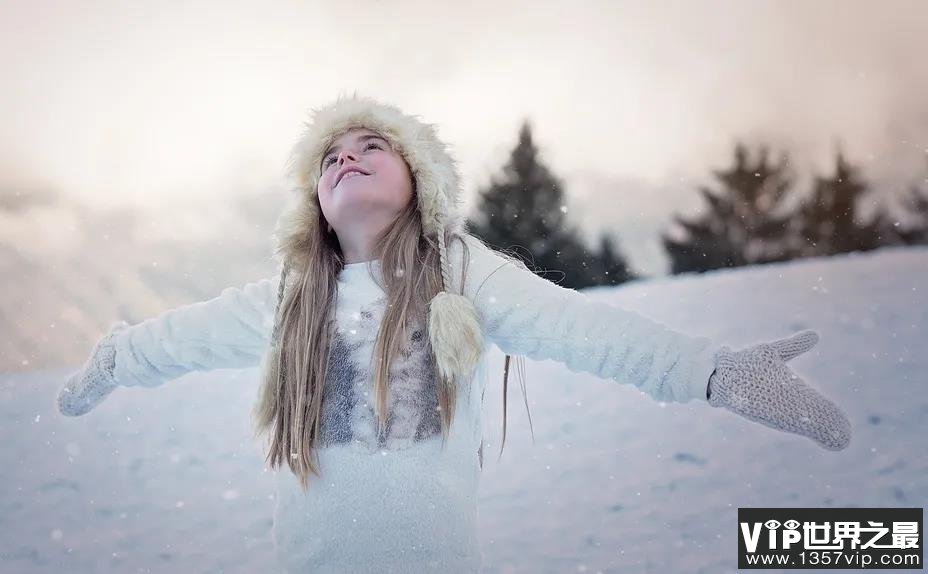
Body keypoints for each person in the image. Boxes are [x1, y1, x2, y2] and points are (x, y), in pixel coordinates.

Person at [56, 94, 852, 573]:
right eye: (330, 155)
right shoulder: (292, 300)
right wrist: (118, 356)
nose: (348, 158)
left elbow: (580, 329)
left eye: (373, 146)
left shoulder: (462, 274)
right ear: (313, 201)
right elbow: (183, 337)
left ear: (420, 183)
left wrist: (714, 371)